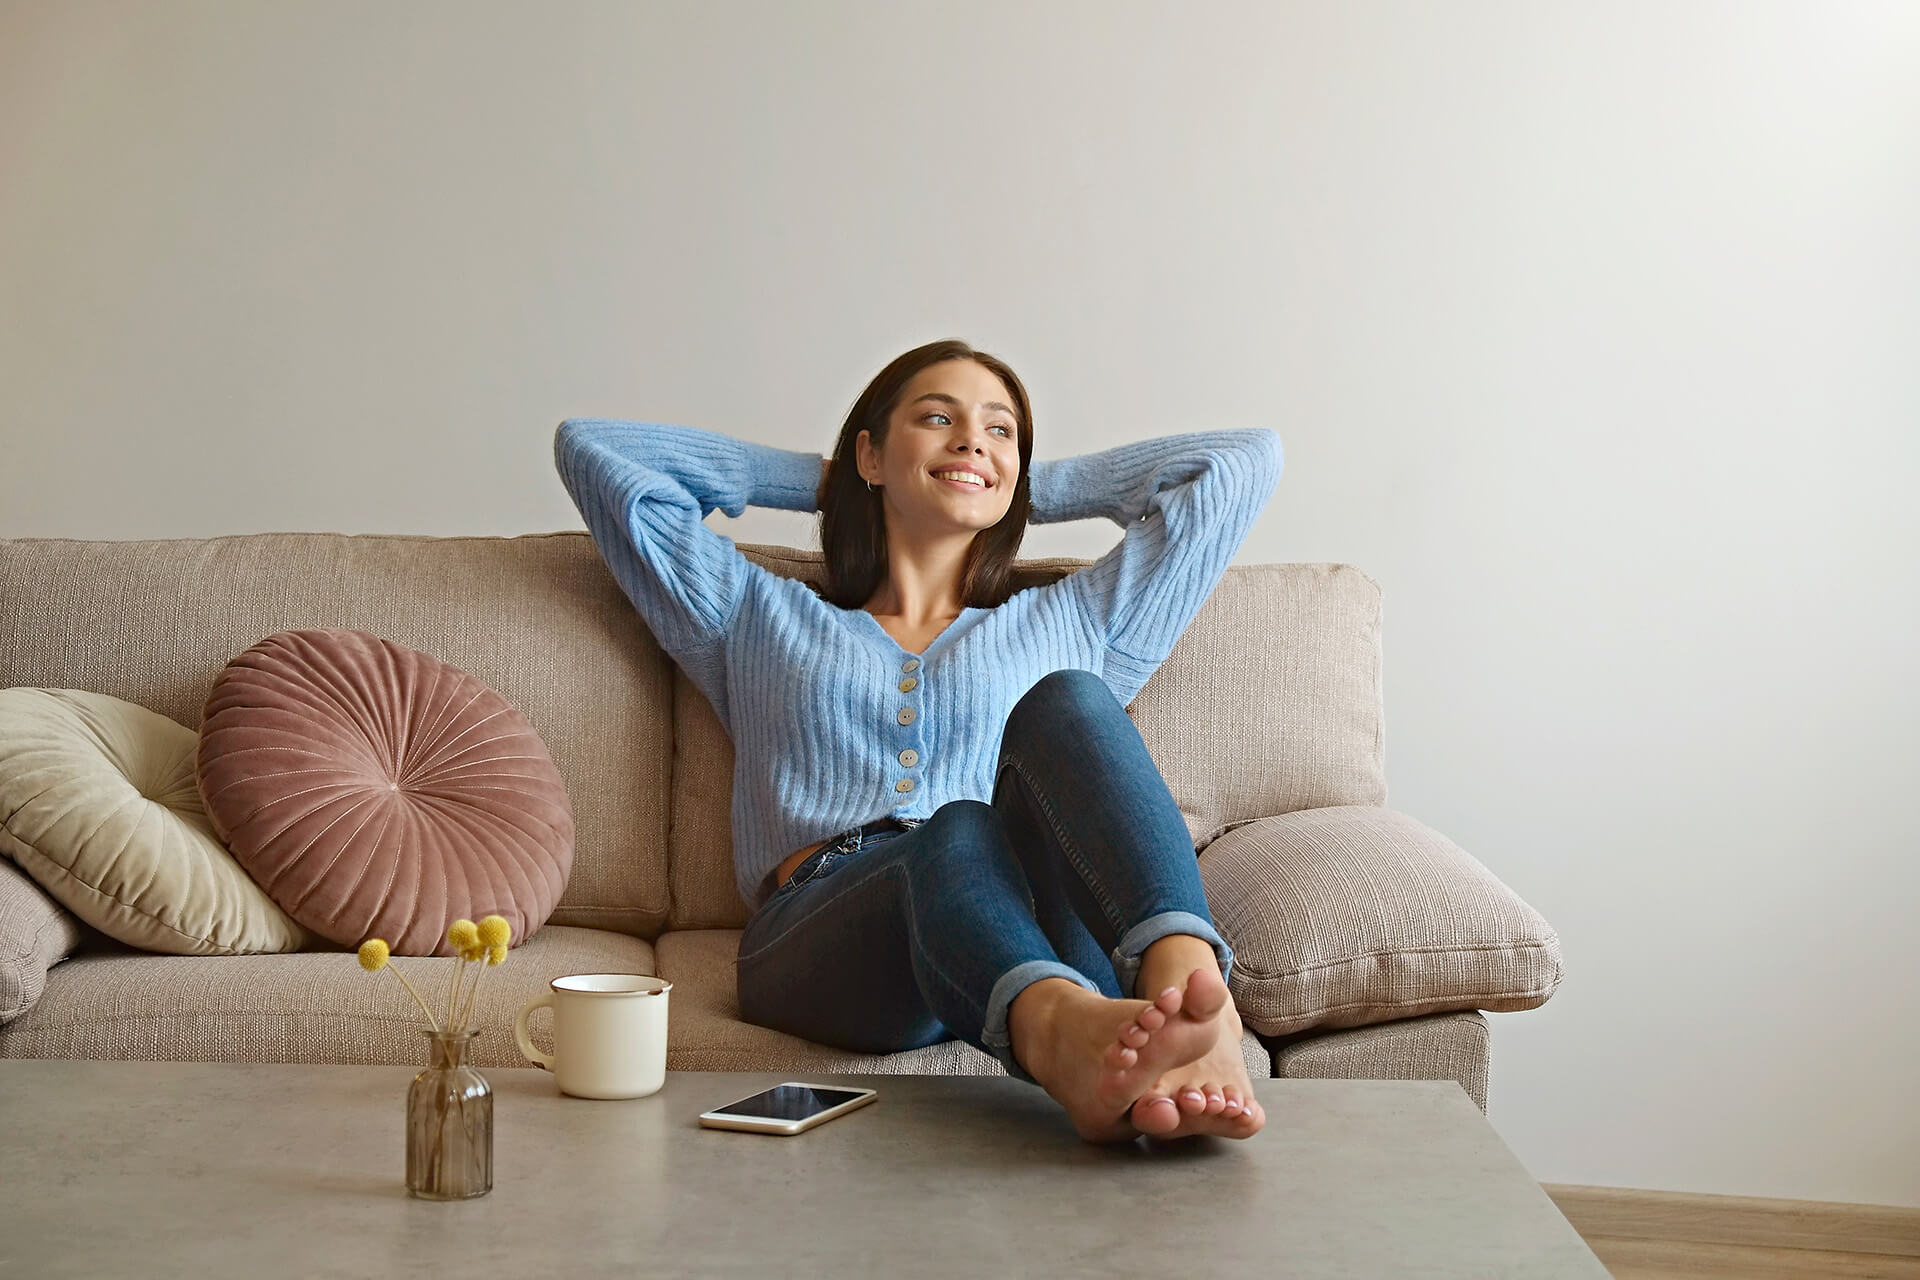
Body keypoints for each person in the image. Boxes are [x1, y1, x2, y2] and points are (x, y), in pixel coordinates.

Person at [553, 338, 1283, 1144]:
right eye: (938, 419)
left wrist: (1022, 486)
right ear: (870, 452)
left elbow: (1240, 465)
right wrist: (834, 480)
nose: (972, 440)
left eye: (1000, 429)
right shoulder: (751, 613)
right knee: (957, 827)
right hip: (831, 938)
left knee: (1072, 698)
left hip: (1033, 921)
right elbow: (597, 452)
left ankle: (1188, 992)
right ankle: (1060, 1031)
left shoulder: (1079, 618)